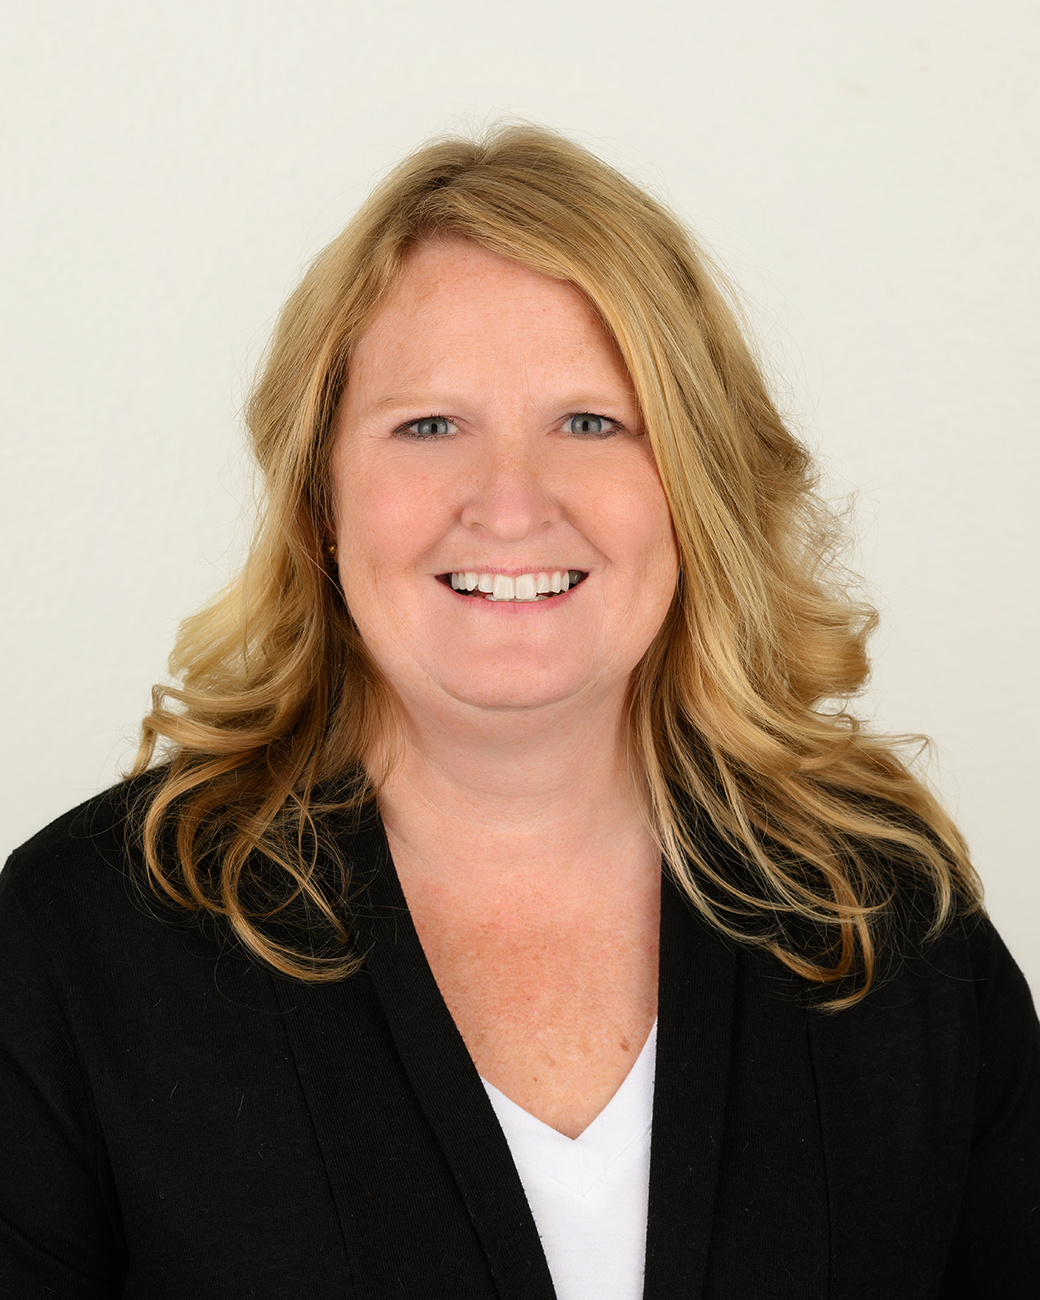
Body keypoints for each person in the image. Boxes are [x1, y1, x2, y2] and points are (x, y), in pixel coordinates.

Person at [1, 124, 1037, 1300]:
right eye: (428, 424)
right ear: (321, 496)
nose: (508, 504)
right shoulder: (76, 945)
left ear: (691, 487)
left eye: (589, 422)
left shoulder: (886, 928)